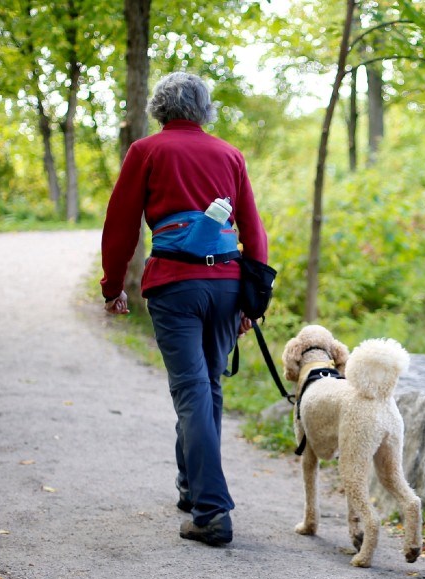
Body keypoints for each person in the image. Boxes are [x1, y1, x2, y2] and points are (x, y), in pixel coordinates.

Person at [100, 72, 268, 547]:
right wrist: (253, 302)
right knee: (208, 386)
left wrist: (113, 285)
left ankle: (211, 511)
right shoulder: (229, 155)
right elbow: (254, 231)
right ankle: (192, 487)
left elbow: (121, 224)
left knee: (194, 390)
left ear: (160, 107)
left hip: (175, 285)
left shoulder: (147, 151)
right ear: (204, 109)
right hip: (227, 287)